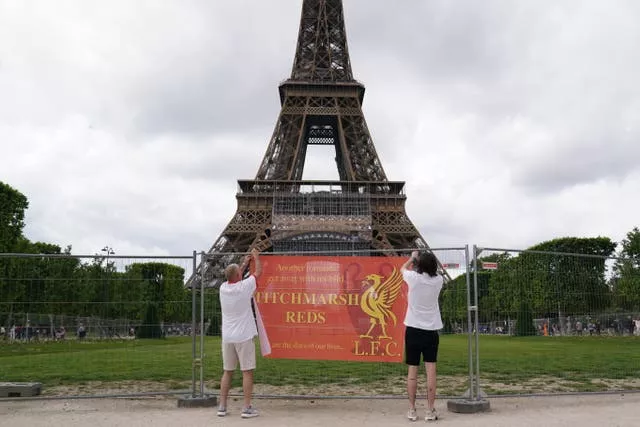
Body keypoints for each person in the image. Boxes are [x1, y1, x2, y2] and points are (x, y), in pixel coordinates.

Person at [217, 248, 262, 419]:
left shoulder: (222, 288)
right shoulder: (245, 287)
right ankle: (246, 407)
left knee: (227, 371)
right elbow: (258, 272)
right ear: (238, 276)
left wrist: (243, 263)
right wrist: (256, 257)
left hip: (227, 337)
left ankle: (222, 406)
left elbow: (234, 277)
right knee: (247, 372)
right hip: (243, 336)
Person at [401, 251, 444, 422]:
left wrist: (412, 258)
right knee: (431, 372)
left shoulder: (413, 278)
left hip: (413, 329)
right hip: (431, 331)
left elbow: (402, 268)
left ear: (419, 265)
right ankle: (430, 410)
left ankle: (412, 410)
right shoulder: (438, 281)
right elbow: (437, 269)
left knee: (412, 372)